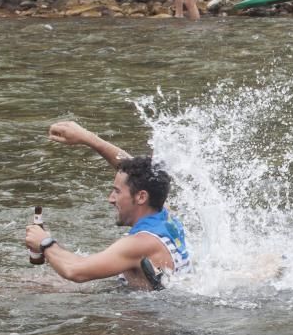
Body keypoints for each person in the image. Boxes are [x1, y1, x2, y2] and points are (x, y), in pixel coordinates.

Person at [23, 121, 190, 291]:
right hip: (151, 299)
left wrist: (44, 243)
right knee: (31, 283)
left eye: (117, 191)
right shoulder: (165, 215)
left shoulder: (140, 243)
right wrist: (88, 138)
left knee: (26, 288)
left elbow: (75, 271)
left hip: (146, 314)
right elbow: (131, 169)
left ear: (141, 196)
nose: (110, 199)